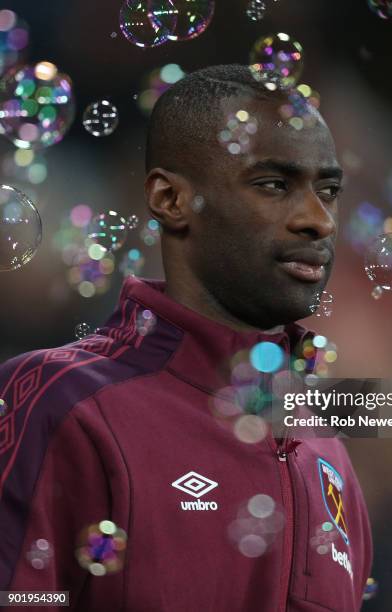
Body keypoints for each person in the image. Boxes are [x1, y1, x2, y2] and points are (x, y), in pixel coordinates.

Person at [0, 64, 372, 611]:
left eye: (329, 190)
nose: (319, 220)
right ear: (171, 200)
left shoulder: (326, 448)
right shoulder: (57, 401)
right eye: (274, 184)